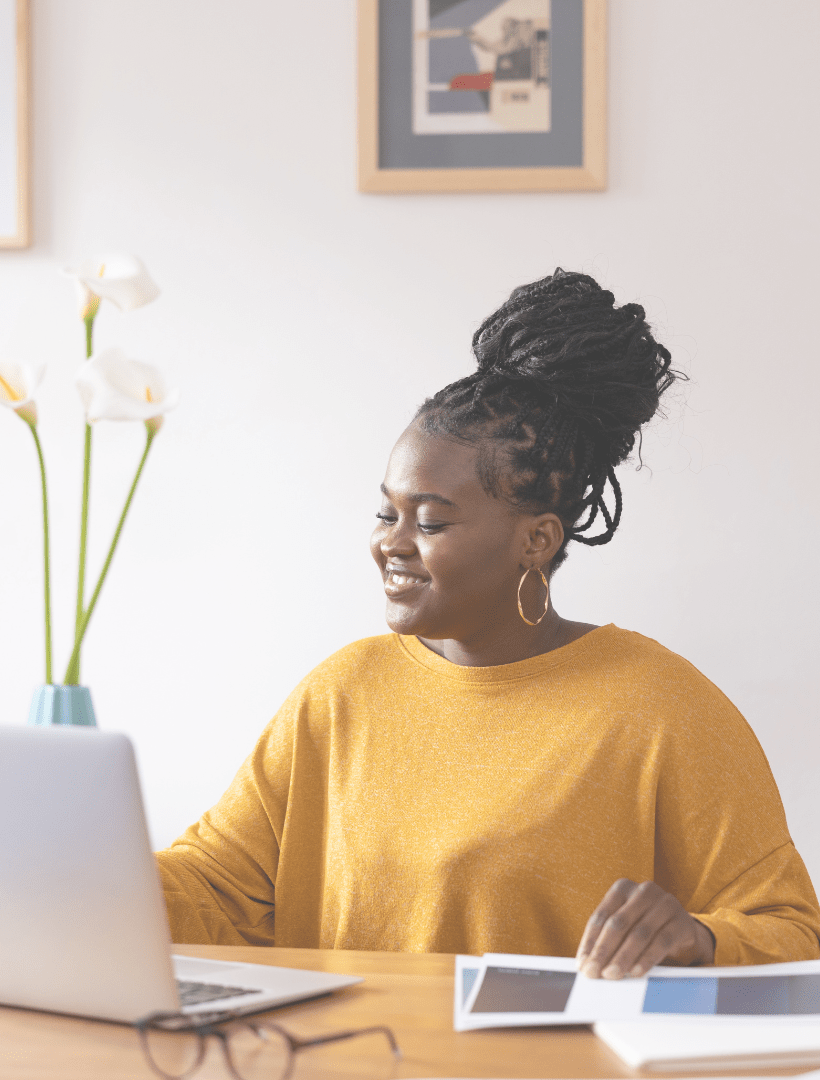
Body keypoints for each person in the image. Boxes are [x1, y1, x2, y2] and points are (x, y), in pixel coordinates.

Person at [156, 270, 820, 977]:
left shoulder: (661, 710)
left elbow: (792, 933)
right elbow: (217, 890)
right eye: (387, 513)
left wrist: (696, 940)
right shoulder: (341, 692)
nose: (392, 542)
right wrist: (69, 870)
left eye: (432, 520)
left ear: (535, 540)